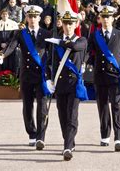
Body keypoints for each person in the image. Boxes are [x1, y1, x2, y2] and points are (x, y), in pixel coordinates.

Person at [0, 5, 52, 148]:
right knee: (27, 106)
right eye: (30, 16)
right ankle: (32, 133)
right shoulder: (21, 33)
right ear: (26, 18)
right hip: (27, 75)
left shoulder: (47, 34)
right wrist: (3, 55)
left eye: (35, 16)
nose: (32, 19)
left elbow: (53, 52)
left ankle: (41, 136)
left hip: (41, 75)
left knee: (42, 107)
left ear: (39, 18)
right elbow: (11, 46)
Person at [88, 5, 120, 151]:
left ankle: (119, 138)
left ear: (113, 18)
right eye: (103, 17)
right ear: (100, 18)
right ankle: (105, 135)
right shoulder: (95, 35)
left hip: (115, 76)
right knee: (102, 107)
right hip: (100, 75)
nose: (106, 20)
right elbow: (90, 53)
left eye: (108, 17)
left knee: (116, 106)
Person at [49, 11, 88, 161]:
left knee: (72, 115)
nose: (68, 26)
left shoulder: (81, 39)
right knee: (62, 115)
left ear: (76, 24)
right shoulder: (56, 41)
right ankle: (69, 141)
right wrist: (49, 79)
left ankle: (67, 146)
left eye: (71, 23)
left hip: (74, 84)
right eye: (65, 23)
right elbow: (50, 62)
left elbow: (76, 47)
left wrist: (59, 42)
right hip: (60, 84)